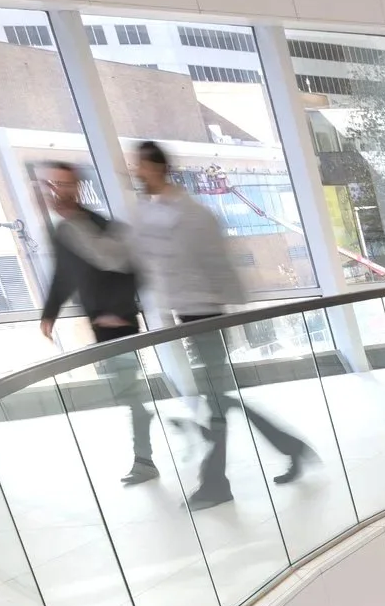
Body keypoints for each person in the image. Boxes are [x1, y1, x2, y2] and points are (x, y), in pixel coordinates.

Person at [126, 140, 315, 510]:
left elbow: (217, 266)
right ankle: (289, 449)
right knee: (220, 400)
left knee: (216, 403)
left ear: (155, 167)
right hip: (186, 315)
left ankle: (216, 484)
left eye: (140, 167)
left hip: (205, 314)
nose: (136, 173)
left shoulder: (192, 214)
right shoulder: (153, 213)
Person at [36, 162, 155, 486]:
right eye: (53, 183)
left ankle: (145, 459)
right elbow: (63, 276)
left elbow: (134, 269)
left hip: (119, 322)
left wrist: (118, 311)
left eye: (64, 183)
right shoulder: (64, 230)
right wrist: (50, 312)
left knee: (130, 394)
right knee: (127, 393)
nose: (57, 190)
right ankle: (146, 453)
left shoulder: (99, 226)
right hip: (101, 322)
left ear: (77, 187)